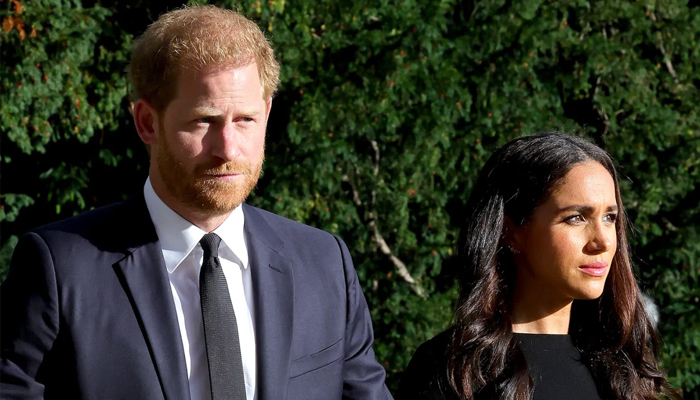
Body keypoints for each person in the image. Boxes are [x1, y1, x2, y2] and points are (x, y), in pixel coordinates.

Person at [0, 5, 391, 400]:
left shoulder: (324, 264)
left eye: (246, 120)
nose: (228, 149)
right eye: (204, 120)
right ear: (147, 122)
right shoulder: (61, 269)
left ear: (267, 113)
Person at [397, 133, 679, 400]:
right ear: (512, 231)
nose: (603, 241)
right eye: (576, 218)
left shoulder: (623, 367)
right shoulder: (453, 370)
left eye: (609, 218)